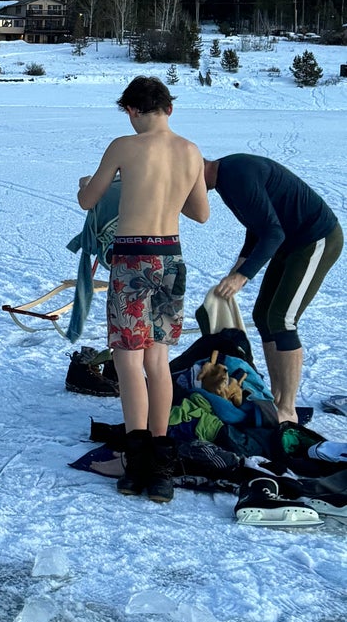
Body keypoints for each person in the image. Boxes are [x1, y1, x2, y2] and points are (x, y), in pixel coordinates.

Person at [77, 76, 209, 496]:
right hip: (170, 257)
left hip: (132, 258)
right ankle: (161, 467)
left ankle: (136, 463)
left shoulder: (124, 146)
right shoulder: (190, 151)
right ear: (169, 109)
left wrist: (87, 186)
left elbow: (88, 199)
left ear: (132, 111)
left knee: (129, 360)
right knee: (158, 359)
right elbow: (200, 213)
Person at [204, 154, 341, 423]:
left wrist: (243, 276)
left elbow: (272, 232)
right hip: (287, 243)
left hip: (315, 239)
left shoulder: (236, 174)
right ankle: (276, 399)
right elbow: (257, 225)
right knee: (263, 316)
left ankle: (287, 410)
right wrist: (238, 267)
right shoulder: (225, 179)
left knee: (282, 319)